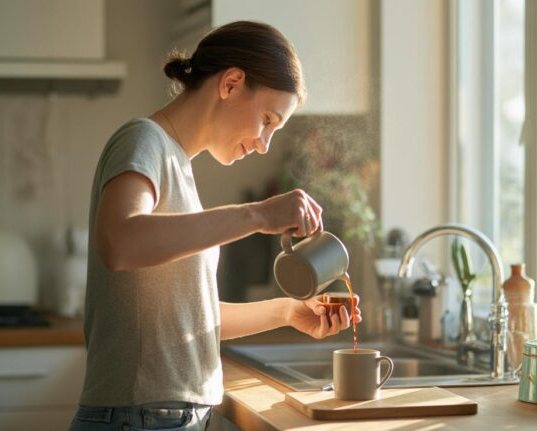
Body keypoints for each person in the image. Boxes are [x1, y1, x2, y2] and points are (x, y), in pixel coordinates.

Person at [69, 21, 361, 431]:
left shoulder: (178, 165)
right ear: (231, 83)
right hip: (139, 418)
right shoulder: (142, 141)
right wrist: (256, 215)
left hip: (162, 417)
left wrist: (289, 312)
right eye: (267, 120)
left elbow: (185, 316)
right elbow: (119, 242)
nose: (264, 144)